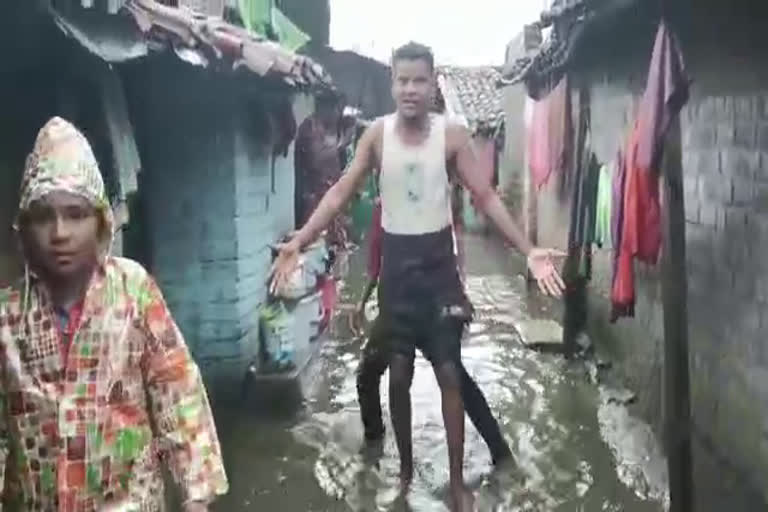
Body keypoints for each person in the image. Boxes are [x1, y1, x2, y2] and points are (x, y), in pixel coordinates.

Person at [271, 42, 565, 511]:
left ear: (433, 85)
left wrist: (528, 250)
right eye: (402, 80)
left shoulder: (451, 137)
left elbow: (486, 197)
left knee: (451, 374)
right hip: (398, 277)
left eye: (420, 80)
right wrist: (301, 240)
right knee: (397, 376)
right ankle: (405, 473)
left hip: (438, 273)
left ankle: (455, 484)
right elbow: (339, 194)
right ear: (392, 84)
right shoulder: (376, 137)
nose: (411, 89)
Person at [0, 118, 228, 511]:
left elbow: (177, 390)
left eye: (75, 214)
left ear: (101, 222)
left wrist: (195, 497)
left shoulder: (132, 292)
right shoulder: (7, 315)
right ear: (24, 230)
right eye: (43, 217)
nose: (59, 233)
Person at [352, 198, 513, 467]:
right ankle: (501, 454)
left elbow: (381, 262)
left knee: (372, 375)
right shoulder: (422, 202)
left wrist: (457, 298)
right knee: (454, 380)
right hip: (416, 309)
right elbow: (448, 254)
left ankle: (374, 449)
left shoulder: (405, 204)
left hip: (413, 310)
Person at [294, 89, 355, 249]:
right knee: (314, 246)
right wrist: (342, 144)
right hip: (312, 199)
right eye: (336, 109)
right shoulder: (310, 127)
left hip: (331, 196)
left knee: (334, 248)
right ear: (324, 107)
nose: (338, 114)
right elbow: (317, 159)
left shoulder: (333, 128)